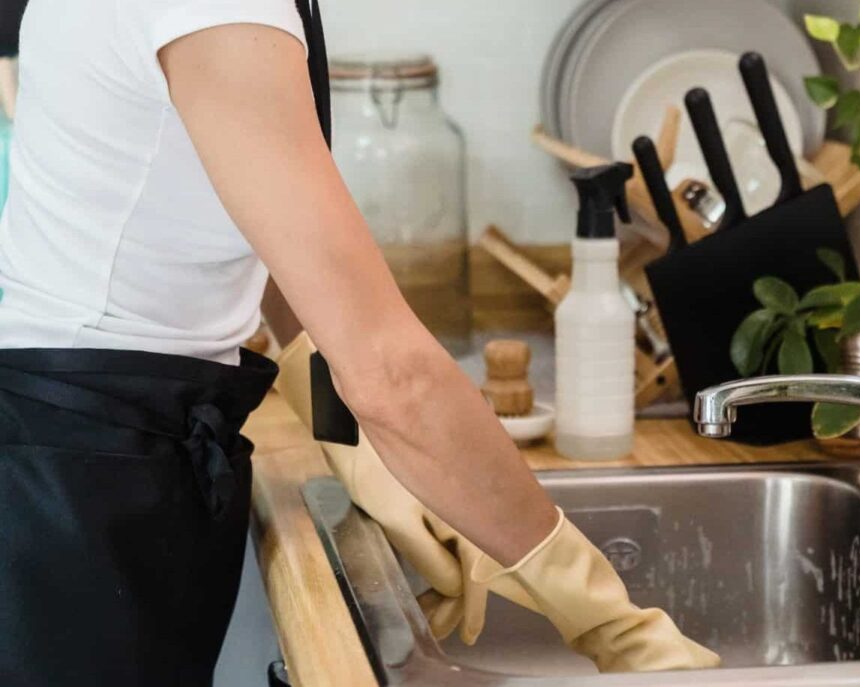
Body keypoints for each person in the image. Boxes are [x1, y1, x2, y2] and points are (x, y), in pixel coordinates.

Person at [0, 1, 718, 684]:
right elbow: (391, 374)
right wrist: (611, 621)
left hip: (89, 451)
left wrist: (355, 434)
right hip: (76, 482)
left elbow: (269, 237)